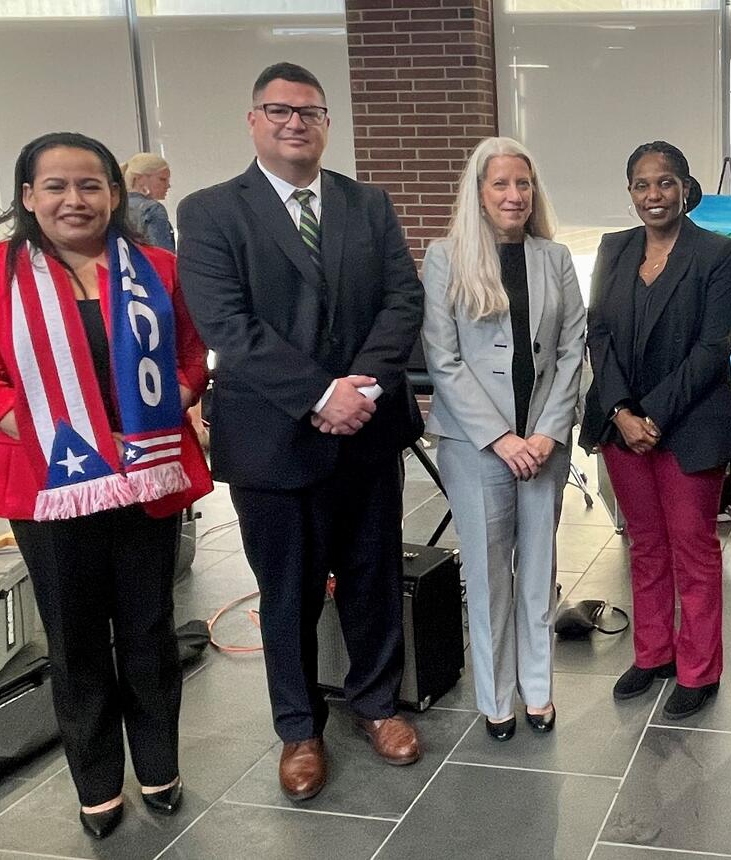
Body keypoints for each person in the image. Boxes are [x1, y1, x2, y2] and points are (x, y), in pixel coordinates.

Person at [0, 132, 212, 838]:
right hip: (51, 483)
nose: (74, 200)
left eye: (89, 185)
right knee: (75, 637)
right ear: (28, 197)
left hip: (147, 474)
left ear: (115, 194)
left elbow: (190, 357)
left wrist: (170, 405)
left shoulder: (156, 267)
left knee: (150, 629)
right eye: (55, 186)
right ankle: (96, 779)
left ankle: (159, 764)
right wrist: (59, 437)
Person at [177, 62, 426, 800]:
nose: (294, 123)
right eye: (279, 110)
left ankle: (377, 705)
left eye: (309, 112)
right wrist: (319, 393)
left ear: (326, 124)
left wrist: (359, 388)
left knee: (372, 576)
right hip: (274, 439)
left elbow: (401, 300)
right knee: (285, 592)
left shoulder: (368, 203)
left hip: (367, 432)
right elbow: (227, 324)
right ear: (253, 120)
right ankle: (299, 728)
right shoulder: (213, 211)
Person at [421, 136, 584, 741]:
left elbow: (572, 351)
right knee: (489, 578)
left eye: (523, 183)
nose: (515, 195)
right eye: (501, 184)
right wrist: (501, 439)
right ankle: (497, 698)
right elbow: (444, 360)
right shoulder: (446, 257)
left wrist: (545, 433)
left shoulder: (556, 258)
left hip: (544, 443)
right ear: (479, 193)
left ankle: (538, 690)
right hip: (475, 446)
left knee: (538, 572)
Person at [580, 142, 731, 719]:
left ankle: (699, 669)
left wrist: (654, 415)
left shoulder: (715, 253)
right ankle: (653, 655)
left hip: (690, 424)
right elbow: (599, 332)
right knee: (644, 546)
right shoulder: (615, 249)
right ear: (630, 193)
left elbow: (711, 345)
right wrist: (622, 411)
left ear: (685, 187)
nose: (655, 195)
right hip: (623, 427)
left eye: (666, 183)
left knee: (692, 549)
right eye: (643, 185)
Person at [122, 153, 174, 252]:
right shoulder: (152, 209)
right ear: (140, 179)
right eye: (162, 179)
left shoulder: (113, 205)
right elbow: (162, 253)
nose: (168, 185)